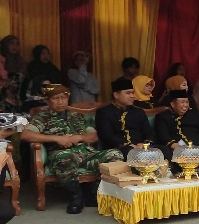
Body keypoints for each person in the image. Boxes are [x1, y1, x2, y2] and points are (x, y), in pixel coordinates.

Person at [21, 84, 124, 214]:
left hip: (86, 154)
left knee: (115, 154)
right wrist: (57, 139)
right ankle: (76, 197)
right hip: (62, 154)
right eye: (56, 98)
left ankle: (94, 192)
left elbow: (93, 136)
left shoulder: (76, 116)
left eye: (63, 98)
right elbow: (26, 135)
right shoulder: (42, 118)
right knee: (66, 158)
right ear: (47, 100)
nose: (60, 102)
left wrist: (78, 137)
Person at [95, 78, 167, 159]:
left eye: (133, 92)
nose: (132, 96)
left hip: (142, 147)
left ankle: (168, 171)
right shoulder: (104, 112)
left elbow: (148, 132)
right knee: (130, 153)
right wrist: (128, 145)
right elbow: (106, 136)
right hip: (118, 148)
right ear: (116, 95)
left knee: (164, 150)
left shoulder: (139, 112)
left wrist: (145, 144)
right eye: (128, 93)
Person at [154, 89, 199, 158]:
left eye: (187, 102)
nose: (185, 105)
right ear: (173, 104)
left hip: (198, 150)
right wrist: (176, 146)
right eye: (182, 102)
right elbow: (163, 136)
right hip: (176, 151)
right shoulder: (163, 117)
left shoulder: (192, 115)